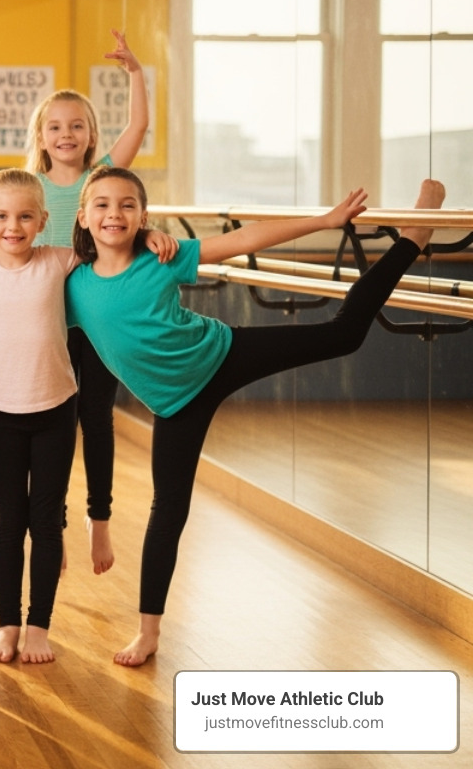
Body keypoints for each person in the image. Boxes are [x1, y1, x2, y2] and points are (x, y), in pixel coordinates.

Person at [66, 168, 446, 667]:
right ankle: (149, 631)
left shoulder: (162, 258)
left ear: (142, 216)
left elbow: (244, 239)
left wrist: (326, 220)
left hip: (221, 354)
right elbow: (14, 287)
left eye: (126, 205)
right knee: (169, 512)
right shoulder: (73, 284)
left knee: (344, 334)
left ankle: (413, 237)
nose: (114, 213)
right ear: (83, 216)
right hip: (175, 405)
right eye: (102, 204)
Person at [0, 170, 173, 665]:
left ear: (43, 222)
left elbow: (113, 246)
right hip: (2, 417)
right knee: (8, 523)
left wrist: (151, 235)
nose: (14, 226)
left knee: (46, 523)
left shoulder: (62, 262)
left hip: (55, 412)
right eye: (3, 216)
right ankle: (7, 624)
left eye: (25, 216)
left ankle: (38, 627)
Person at [25, 29, 149, 574]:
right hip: (44, 324)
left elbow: (139, 126)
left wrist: (135, 75)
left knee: (94, 416)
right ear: (42, 136)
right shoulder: (26, 184)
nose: (66, 133)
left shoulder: (102, 179)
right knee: (51, 423)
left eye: (77, 125)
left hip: (95, 321)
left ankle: (100, 521)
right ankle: (51, 521)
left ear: (92, 134)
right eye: (56, 126)